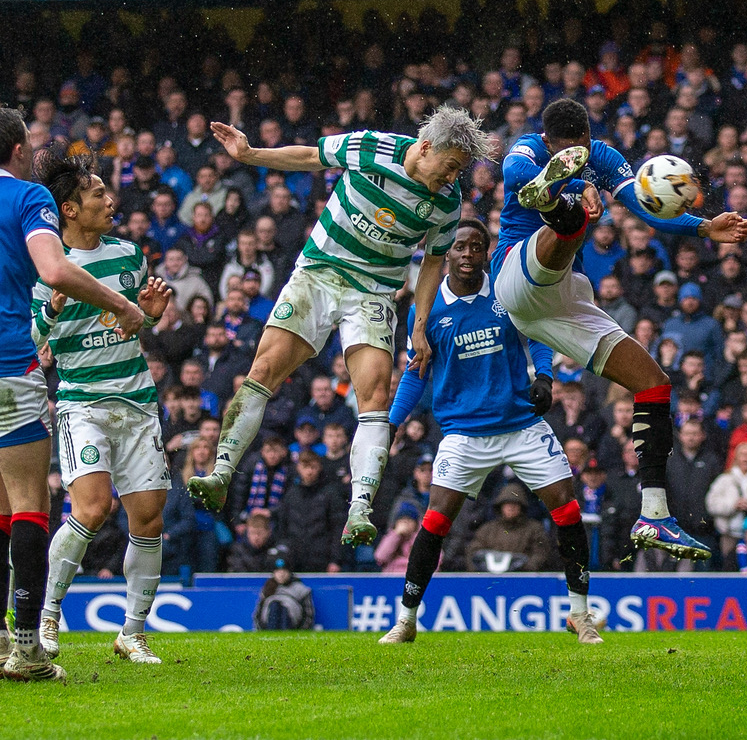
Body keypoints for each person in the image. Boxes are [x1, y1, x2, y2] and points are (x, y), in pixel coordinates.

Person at [186, 107, 491, 551]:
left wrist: (419, 325)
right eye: (450, 168)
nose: (453, 179)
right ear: (425, 148)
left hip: (373, 294)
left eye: (460, 172)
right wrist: (250, 154)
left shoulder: (445, 203)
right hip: (319, 273)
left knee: (373, 395)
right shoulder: (371, 147)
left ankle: (360, 509)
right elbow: (310, 156)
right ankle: (220, 473)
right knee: (264, 369)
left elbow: (431, 263)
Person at [490, 97, 747, 561]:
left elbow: (646, 207)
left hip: (561, 296)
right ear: (549, 142)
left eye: (581, 148)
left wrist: (704, 227)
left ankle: (654, 514)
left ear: (589, 138)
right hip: (515, 272)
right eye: (565, 151)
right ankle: (551, 201)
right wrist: (568, 182)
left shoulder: (604, 156)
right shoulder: (526, 149)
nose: (579, 153)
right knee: (571, 216)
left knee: (654, 382)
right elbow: (510, 175)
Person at [377, 220, 602, 645]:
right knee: (435, 521)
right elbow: (415, 373)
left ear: (486, 253)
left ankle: (580, 614)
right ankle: (406, 620)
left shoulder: (504, 292)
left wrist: (546, 377)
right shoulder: (427, 310)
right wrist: (391, 422)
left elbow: (538, 333)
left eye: (476, 247)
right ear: (448, 254)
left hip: (520, 424)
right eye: (459, 247)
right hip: (464, 431)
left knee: (568, 510)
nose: (466, 254)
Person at [0, 114, 145, 682]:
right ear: (17, 148)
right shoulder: (28, 195)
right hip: (10, 363)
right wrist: (124, 304)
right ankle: (29, 650)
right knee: (27, 505)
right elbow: (54, 268)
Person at [31, 148, 173, 665]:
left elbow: (131, 324)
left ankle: (131, 633)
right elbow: (32, 339)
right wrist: (49, 308)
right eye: (97, 194)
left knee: (150, 520)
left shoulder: (129, 256)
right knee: (91, 509)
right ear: (70, 208)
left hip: (136, 402)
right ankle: (45, 619)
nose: (110, 200)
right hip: (82, 405)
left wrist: (152, 316)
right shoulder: (44, 266)